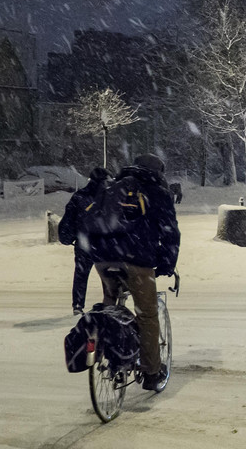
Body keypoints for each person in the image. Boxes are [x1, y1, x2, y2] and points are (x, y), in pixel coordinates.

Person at [90, 154, 180, 391]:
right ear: (158, 172)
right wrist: (167, 263)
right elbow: (170, 232)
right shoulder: (158, 192)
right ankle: (151, 373)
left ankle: (110, 351)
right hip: (137, 260)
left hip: (103, 258)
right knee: (147, 314)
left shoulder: (112, 188)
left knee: (110, 302)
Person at [58, 166, 109, 315]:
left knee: (81, 275)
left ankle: (78, 306)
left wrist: (71, 236)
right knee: (107, 276)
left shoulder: (79, 196)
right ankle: (109, 304)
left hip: (83, 242)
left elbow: (68, 220)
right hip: (104, 243)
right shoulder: (108, 196)